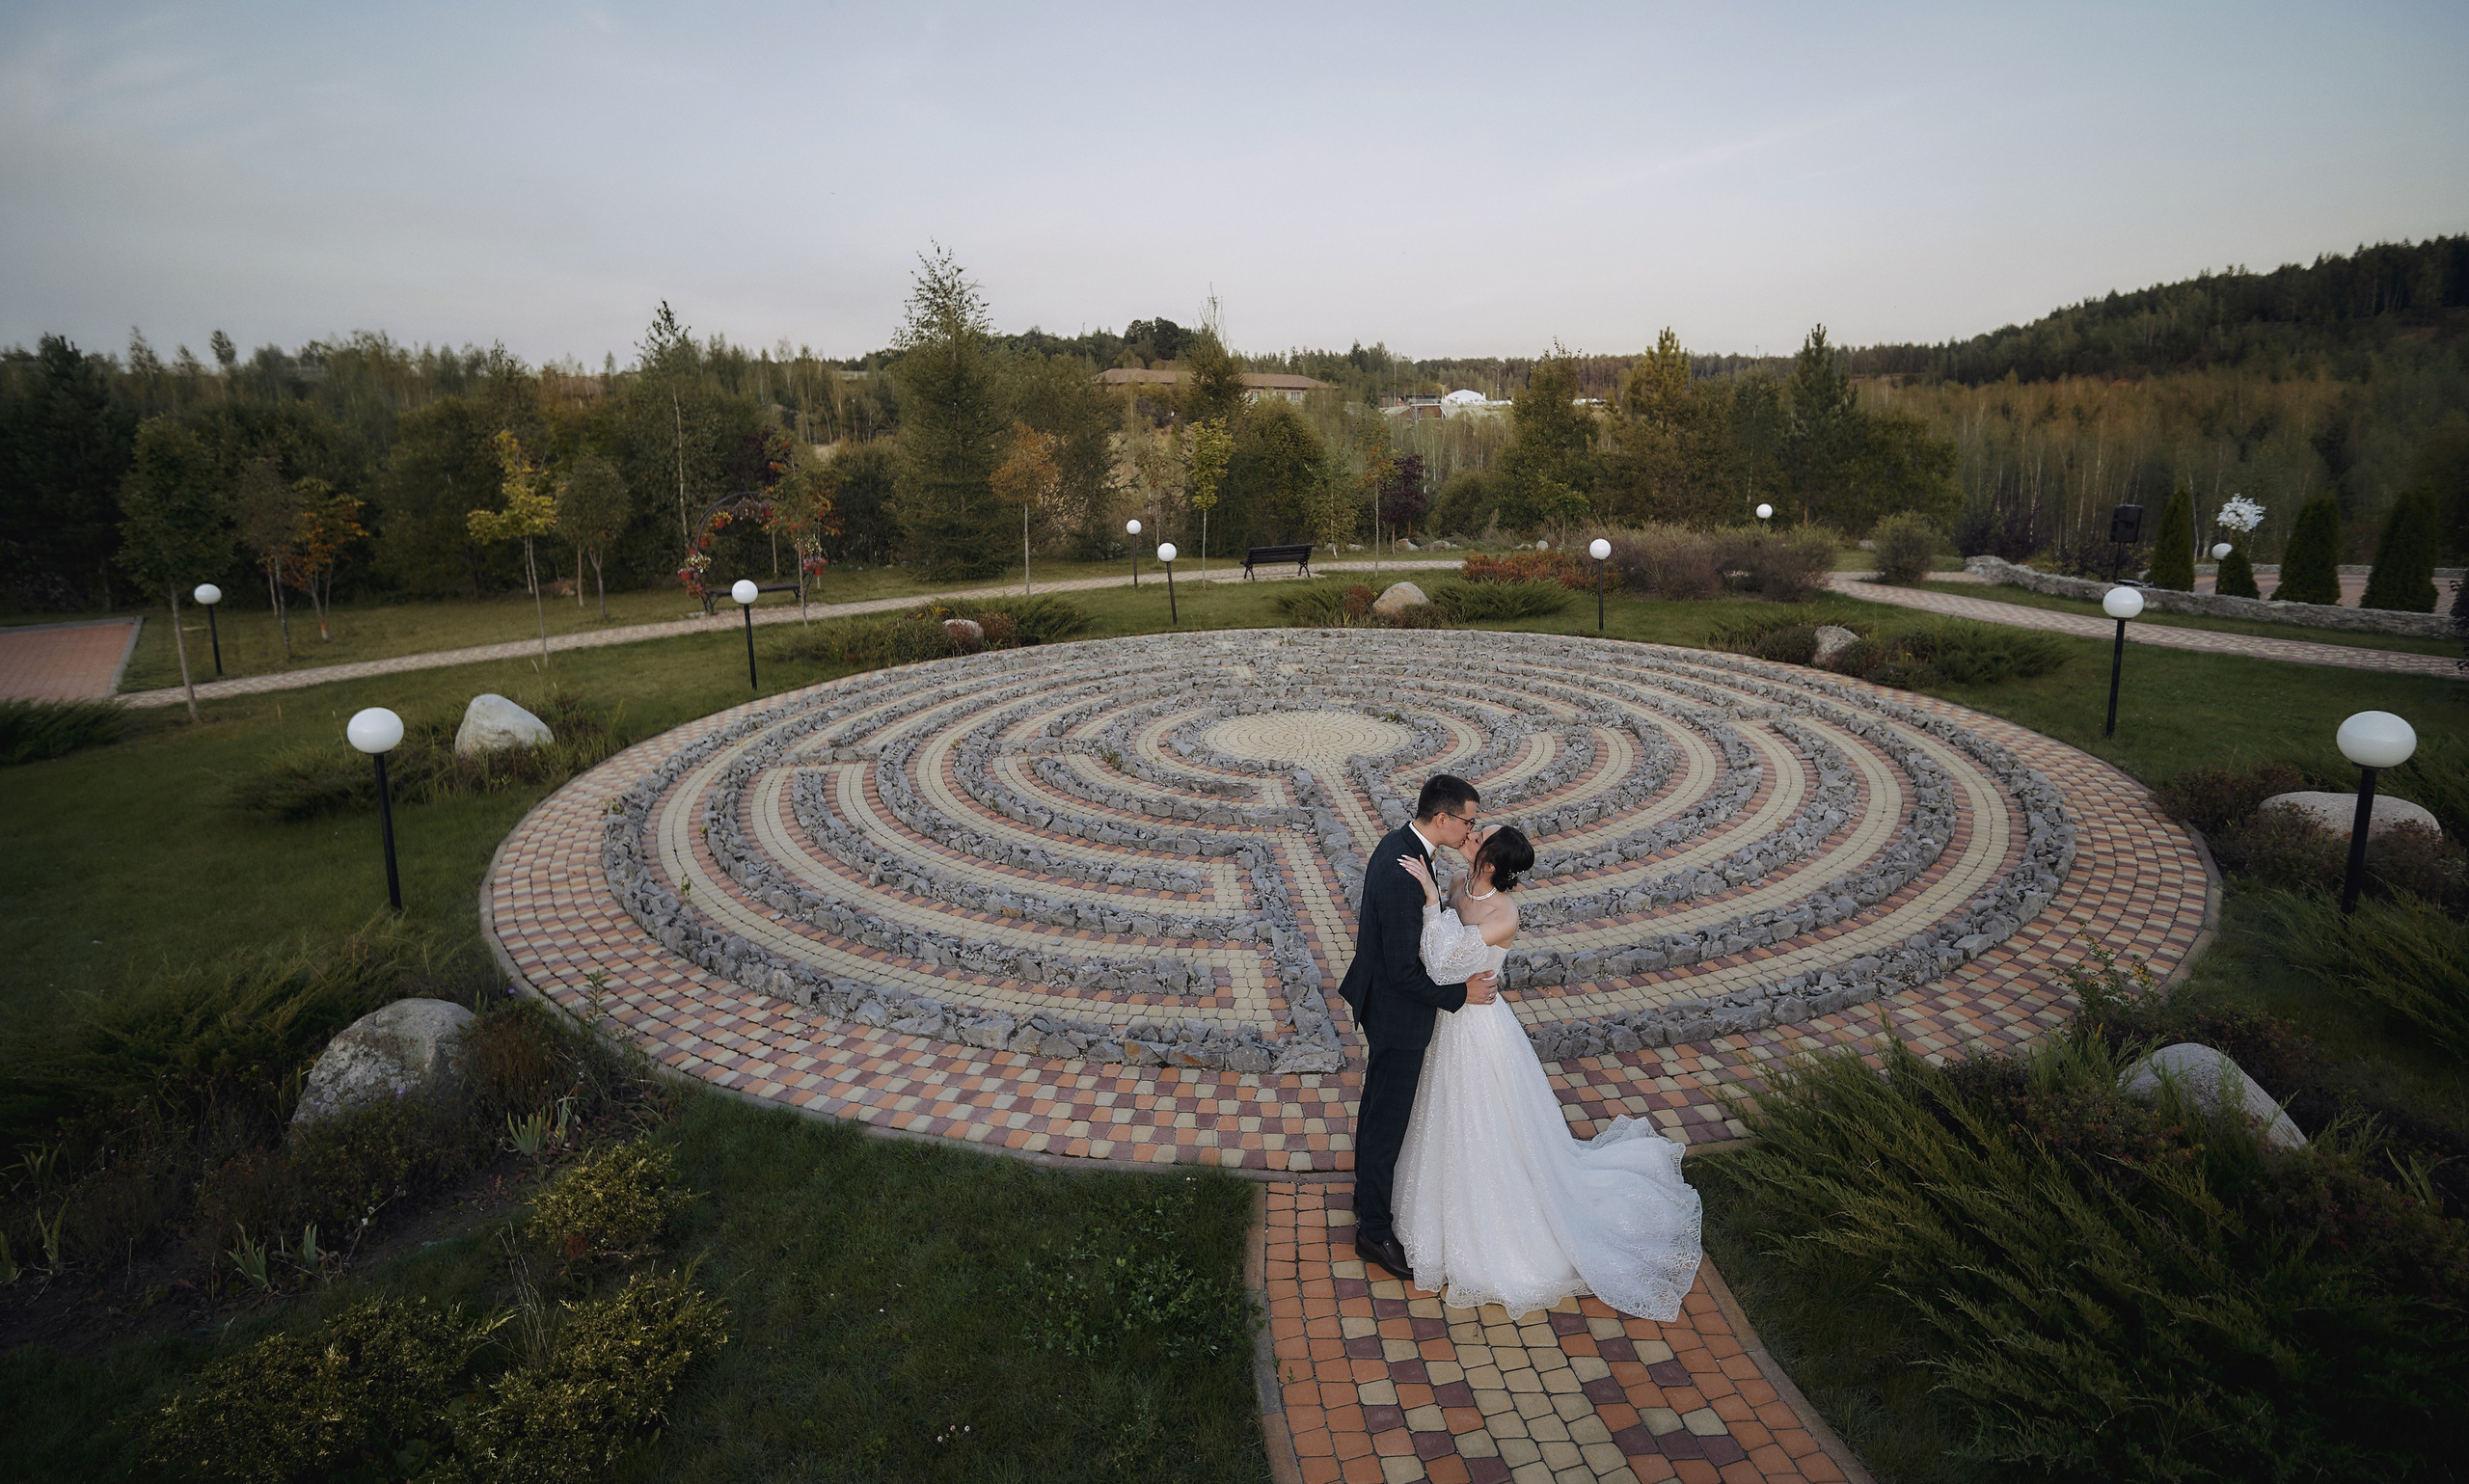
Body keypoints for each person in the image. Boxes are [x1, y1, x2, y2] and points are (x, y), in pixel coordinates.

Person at [1392, 824, 1702, 1320]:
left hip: (1478, 1026)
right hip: (1448, 1018)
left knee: (1483, 1121)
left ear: (1490, 862)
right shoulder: (1457, 883)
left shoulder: (1502, 913)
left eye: (1479, 836)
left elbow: (1444, 957)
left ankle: (1495, 1230)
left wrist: (1430, 904)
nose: (1470, 835)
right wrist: (1436, 896)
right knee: (1440, 1112)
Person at [1338, 775, 1495, 1282]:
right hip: (1397, 1015)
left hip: (1383, 1002)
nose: (1473, 827)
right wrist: (1459, 995)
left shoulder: (1403, 845)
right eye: (1469, 820)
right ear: (1443, 818)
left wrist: (1472, 864)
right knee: (1388, 1120)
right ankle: (1374, 1231)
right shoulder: (1405, 870)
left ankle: (1367, 1197)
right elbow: (1406, 972)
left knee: (1378, 1106)